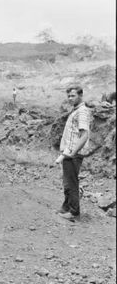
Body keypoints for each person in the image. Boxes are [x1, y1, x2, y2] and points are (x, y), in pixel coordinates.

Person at [55, 86, 91, 221]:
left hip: (73, 153)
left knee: (72, 183)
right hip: (68, 152)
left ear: (80, 95)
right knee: (67, 182)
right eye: (69, 96)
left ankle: (74, 213)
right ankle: (66, 207)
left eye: (73, 96)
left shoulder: (82, 112)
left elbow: (84, 135)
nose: (70, 98)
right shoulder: (75, 111)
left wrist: (73, 152)